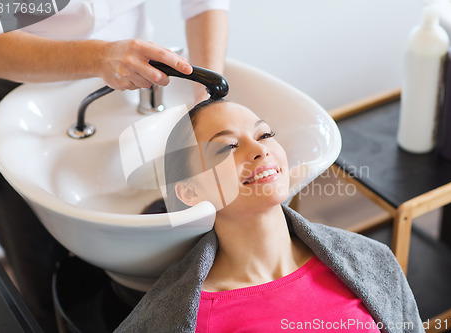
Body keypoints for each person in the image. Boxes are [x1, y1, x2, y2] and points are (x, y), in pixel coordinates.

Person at [0, 1, 229, 332]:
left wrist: (205, 102)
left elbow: (204, 5)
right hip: (23, 96)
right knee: (37, 273)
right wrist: (98, 58)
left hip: (134, 78)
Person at [115, 100, 425, 332]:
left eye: (264, 135)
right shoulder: (190, 318)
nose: (259, 150)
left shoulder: (372, 260)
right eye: (226, 148)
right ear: (190, 192)